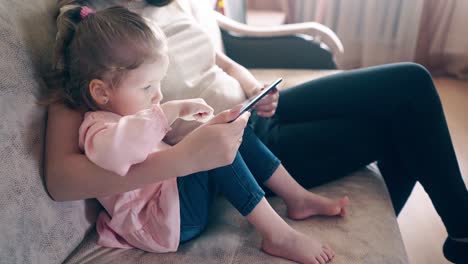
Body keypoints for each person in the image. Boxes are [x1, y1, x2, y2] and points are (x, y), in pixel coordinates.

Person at [47, 0, 468, 262]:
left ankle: (460, 231)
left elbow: (221, 60)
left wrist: (252, 88)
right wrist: (184, 152)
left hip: (250, 113)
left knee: (409, 82)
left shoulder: (166, 7)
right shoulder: (90, 45)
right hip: (217, 145)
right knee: (395, 125)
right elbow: (66, 176)